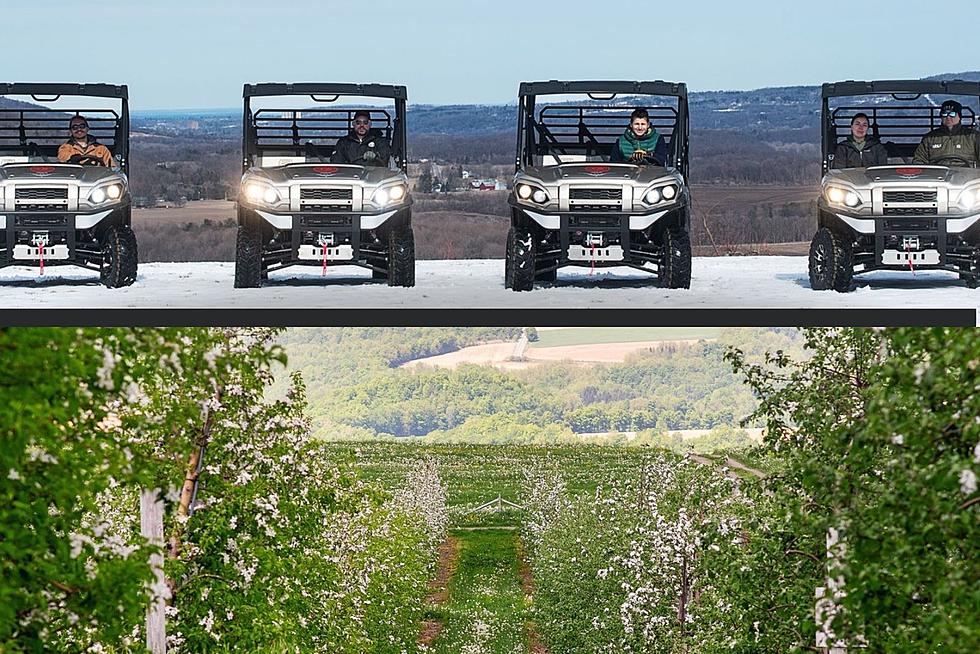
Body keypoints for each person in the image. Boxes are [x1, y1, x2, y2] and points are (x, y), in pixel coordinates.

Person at [913, 100, 980, 166]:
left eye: (952, 114)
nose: (948, 117)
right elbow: (919, 161)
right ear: (941, 117)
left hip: (967, 174)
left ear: (959, 117)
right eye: (944, 114)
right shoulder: (929, 138)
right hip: (938, 174)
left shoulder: (973, 137)